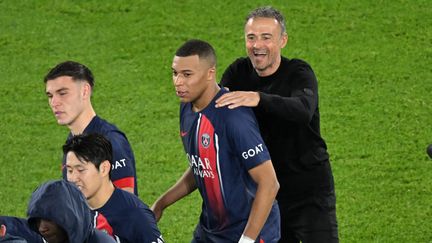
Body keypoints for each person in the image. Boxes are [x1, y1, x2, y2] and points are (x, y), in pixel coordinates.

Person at [215, 6, 339, 243]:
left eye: (266, 37)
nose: (257, 45)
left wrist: (259, 98)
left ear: (283, 41)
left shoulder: (299, 72)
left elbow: (303, 109)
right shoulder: (238, 71)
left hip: (308, 191)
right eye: (251, 37)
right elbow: (219, 110)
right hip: (266, 193)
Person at [151, 39, 280, 242]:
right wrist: (161, 203)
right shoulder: (187, 107)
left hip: (250, 232)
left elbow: (269, 183)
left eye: (187, 75)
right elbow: (203, 164)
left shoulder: (233, 118)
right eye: (175, 73)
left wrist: (247, 240)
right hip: (211, 230)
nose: (178, 82)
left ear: (210, 73)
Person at [44, 61, 138, 195]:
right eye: (50, 96)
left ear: (84, 91)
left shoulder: (111, 140)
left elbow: (127, 207)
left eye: (62, 93)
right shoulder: (73, 141)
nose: (54, 103)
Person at [63, 133, 164, 243]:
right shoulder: (69, 210)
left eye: (81, 170)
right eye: (70, 170)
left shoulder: (135, 216)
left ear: (104, 168)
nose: (73, 178)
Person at [1, 180, 116, 243]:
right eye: (37, 220)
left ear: (69, 218)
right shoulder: (49, 236)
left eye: (48, 219)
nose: (42, 228)